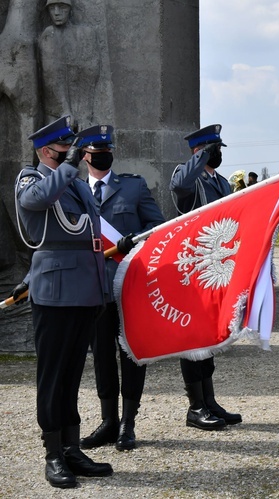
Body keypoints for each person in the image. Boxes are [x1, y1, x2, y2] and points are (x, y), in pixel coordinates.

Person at [15, 116, 113, 488]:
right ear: (46, 150)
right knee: (53, 376)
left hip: (86, 289)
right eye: (64, 147)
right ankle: (53, 452)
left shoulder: (73, 180)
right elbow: (35, 201)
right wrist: (70, 165)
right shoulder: (33, 178)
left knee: (73, 374)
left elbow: (90, 231)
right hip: (55, 292)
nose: (72, 151)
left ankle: (72, 447)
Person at [76, 125, 166, 452]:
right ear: (84, 156)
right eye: (96, 152)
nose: (103, 155)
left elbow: (156, 227)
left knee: (131, 352)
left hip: (128, 283)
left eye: (107, 149)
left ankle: (129, 422)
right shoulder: (74, 190)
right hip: (92, 287)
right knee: (101, 353)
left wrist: (135, 241)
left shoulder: (133, 186)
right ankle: (108, 422)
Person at [170, 124, 241, 430]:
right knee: (192, 342)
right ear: (199, 152)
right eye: (213, 151)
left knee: (208, 341)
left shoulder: (222, 182)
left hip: (215, 273)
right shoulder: (188, 178)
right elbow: (180, 186)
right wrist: (199, 157)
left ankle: (209, 401)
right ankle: (195, 407)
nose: (218, 156)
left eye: (219, 150)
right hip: (194, 272)